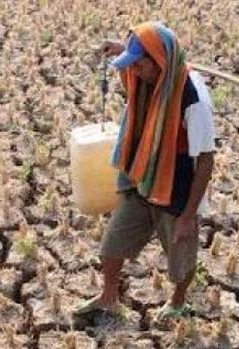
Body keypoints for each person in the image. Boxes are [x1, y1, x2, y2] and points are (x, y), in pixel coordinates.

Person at [75, 22, 216, 320]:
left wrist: (188, 216)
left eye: (138, 64)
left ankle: (178, 302)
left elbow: (205, 161)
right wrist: (125, 51)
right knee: (112, 244)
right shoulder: (150, 77)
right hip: (141, 178)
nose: (133, 72)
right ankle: (108, 296)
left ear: (160, 61)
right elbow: (136, 64)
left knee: (180, 261)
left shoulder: (194, 100)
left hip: (176, 190)